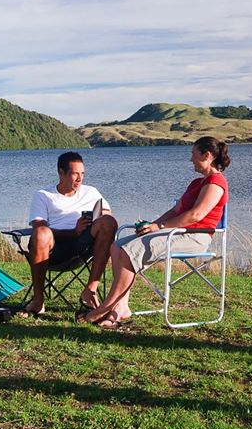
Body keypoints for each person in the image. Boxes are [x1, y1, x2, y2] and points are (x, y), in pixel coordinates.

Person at [80, 136, 229, 329]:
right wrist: (152, 225)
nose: (191, 159)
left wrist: (160, 227)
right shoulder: (196, 183)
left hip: (195, 237)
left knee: (128, 252)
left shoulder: (216, 182)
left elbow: (196, 215)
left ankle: (106, 308)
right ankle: (122, 307)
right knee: (117, 247)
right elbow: (175, 211)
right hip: (177, 232)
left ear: (207, 155)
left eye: (193, 154)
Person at [21, 151, 117, 317]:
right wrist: (73, 231)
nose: (80, 179)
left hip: (84, 246)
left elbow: (108, 216)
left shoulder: (91, 192)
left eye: (82, 174)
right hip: (53, 249)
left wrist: (94, 222)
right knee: (42, 233)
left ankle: (90, 292)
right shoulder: (43, 196)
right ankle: (38, 300)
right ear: (61, 172)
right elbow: (39, 228)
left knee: (109, 222)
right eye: (75, 174)